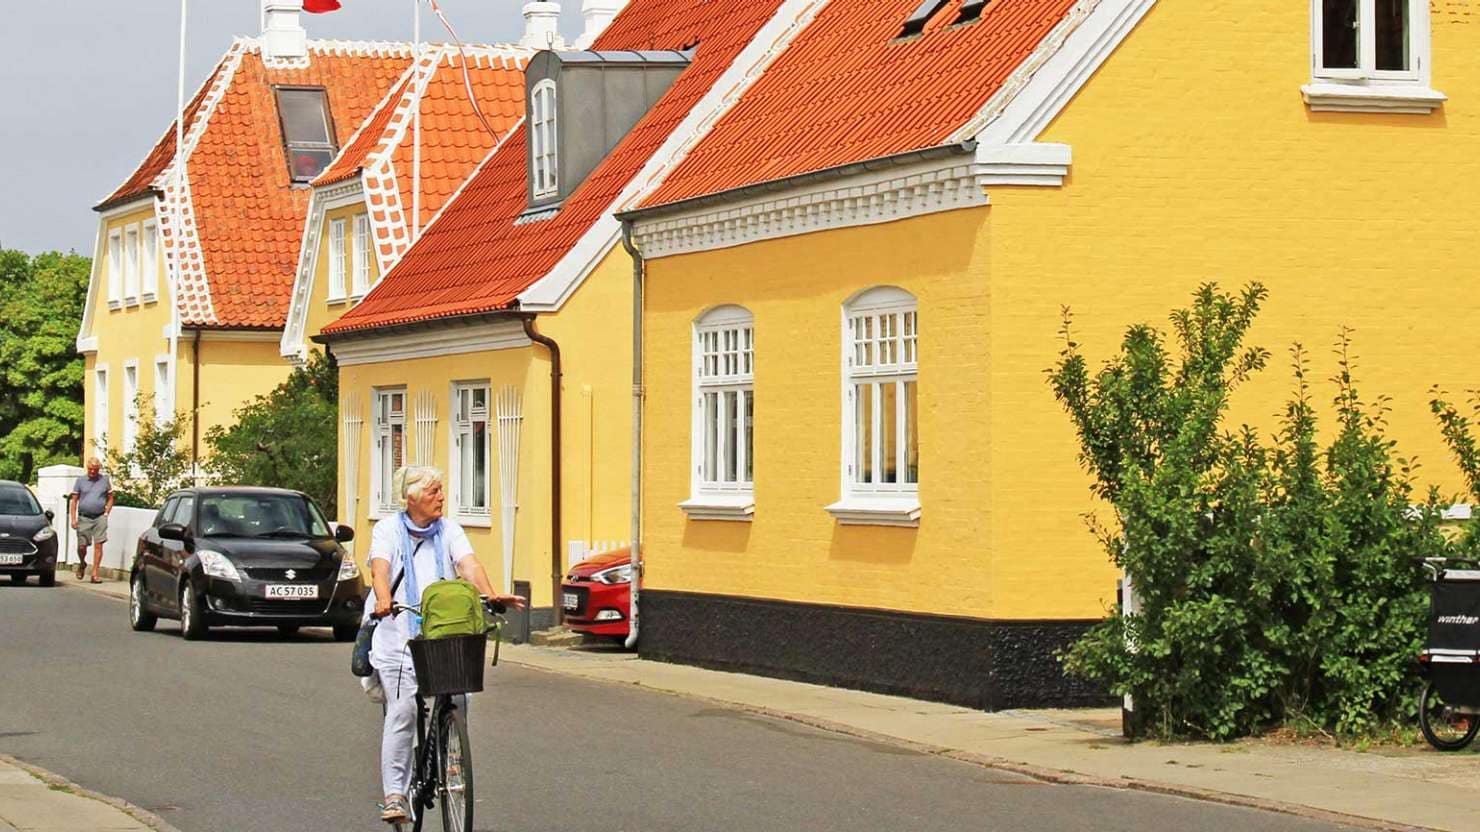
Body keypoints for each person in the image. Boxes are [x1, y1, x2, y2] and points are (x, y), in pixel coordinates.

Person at [368, 465, 525, 823]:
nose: (441, 497)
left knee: (458, 695)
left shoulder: (449, 530)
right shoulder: (388, 529)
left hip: (441, 632)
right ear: (411, 498)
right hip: (397, 632)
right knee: (404, 709)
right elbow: (380, 567)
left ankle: (451, 758)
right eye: (433, 492)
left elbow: (468, 564)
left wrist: (490, 594)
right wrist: (381, 598)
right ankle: (395, 795)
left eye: (441, 490)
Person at [70, 458, 113, 583]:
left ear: (98, 469)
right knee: (82, 546)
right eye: (90, 469)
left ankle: (95, 573)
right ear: (87, 468)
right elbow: (74, 501)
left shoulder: (104, 480)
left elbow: (110, 498)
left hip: (100, 517)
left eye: (95, 470)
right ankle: (82, 563)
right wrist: (73, 518)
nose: (92, 472)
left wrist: (106, 513)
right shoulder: (80, 481)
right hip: (84, 517)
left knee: (99, 544)